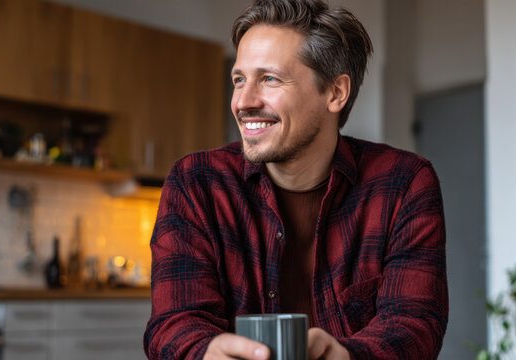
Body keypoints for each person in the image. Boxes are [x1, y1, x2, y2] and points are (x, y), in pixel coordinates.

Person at [144, 0, 448, 358]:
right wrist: (205, 351)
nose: (243, 101)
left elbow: (415, 325)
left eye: (269, 79)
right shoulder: (195, 184)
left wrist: (347, 356)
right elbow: (173, 323)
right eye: (239, 80)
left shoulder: (405, 183)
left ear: (335, 93)